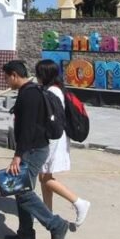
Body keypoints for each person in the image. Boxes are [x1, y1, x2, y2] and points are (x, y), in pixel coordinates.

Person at [0, 60, 69, 239]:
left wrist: (17, 156)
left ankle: (56, 225)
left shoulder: (29, 95)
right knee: (22, 190)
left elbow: (28, 129)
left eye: (6, 77)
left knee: (21, 191)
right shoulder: (30, 91)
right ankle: (25, 236)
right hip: (35, 148)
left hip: (33, 150)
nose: (6, 81)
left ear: (14, 75)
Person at [35, 59, 91, 226]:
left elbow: (53, 120)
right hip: (56, 137)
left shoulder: (52, 92)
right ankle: (47, 213)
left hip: (54, 139)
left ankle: (79, 202)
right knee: (44, 176)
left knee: (46, 178)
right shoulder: (57, 89)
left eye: (38, 73)